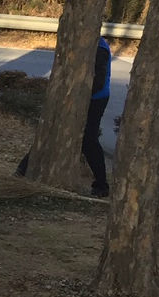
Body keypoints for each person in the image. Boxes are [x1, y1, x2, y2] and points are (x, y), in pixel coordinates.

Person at [14, 35, 111, 197]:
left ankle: (102, 185)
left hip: (96, 99)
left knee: (88, 139)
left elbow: (98, 81)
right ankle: (22, 170)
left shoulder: (100, 49)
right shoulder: (75, 41)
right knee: (51, 128)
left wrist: (77, 97)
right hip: (72, 96)